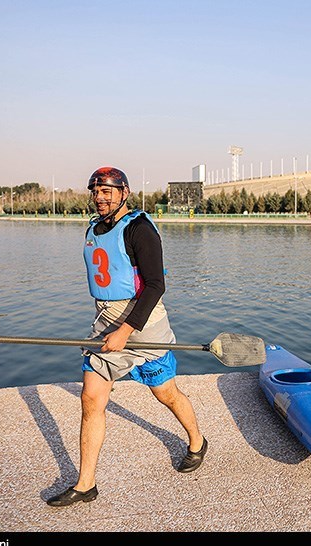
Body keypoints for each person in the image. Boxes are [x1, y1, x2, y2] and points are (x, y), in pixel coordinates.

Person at [47, 166, 207, 507]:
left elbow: (155, 286)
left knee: (165, 393)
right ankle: (86, 484)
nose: (100, 197)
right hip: (106, 320)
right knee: (91, 399)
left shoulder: (140, 229)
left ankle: (197, 441)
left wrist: (126, 329)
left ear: (124, 193)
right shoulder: (94, 228)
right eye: (96, 191)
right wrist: (112, 326)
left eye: (107, 191)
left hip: (144, 322)